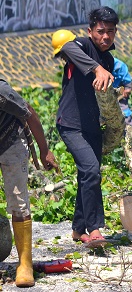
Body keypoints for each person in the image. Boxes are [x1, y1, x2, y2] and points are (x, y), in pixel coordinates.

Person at [55, 7, 119, 247]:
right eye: (101, 31)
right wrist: (96, 68)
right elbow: (66, 47)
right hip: (71, 124)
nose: (106, 37)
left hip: (93, 127)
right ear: (90, 31)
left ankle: (78, 228)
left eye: (111, 32)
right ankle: (94, 229)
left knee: (87, 175)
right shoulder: (81, 45)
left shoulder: (109, 59)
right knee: (92, 170)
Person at [0, 78, 59, 287]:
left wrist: (44, 151)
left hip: (11, 140)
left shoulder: (1, 91)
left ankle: (25, 263)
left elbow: (30, 113)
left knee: (18, 200)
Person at [112, 57, 132, 134]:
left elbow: (128, 84)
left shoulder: (119, 65)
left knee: (126, 117)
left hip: (119, 96)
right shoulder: (96, 63)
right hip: (100, 95)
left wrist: (127, 90)